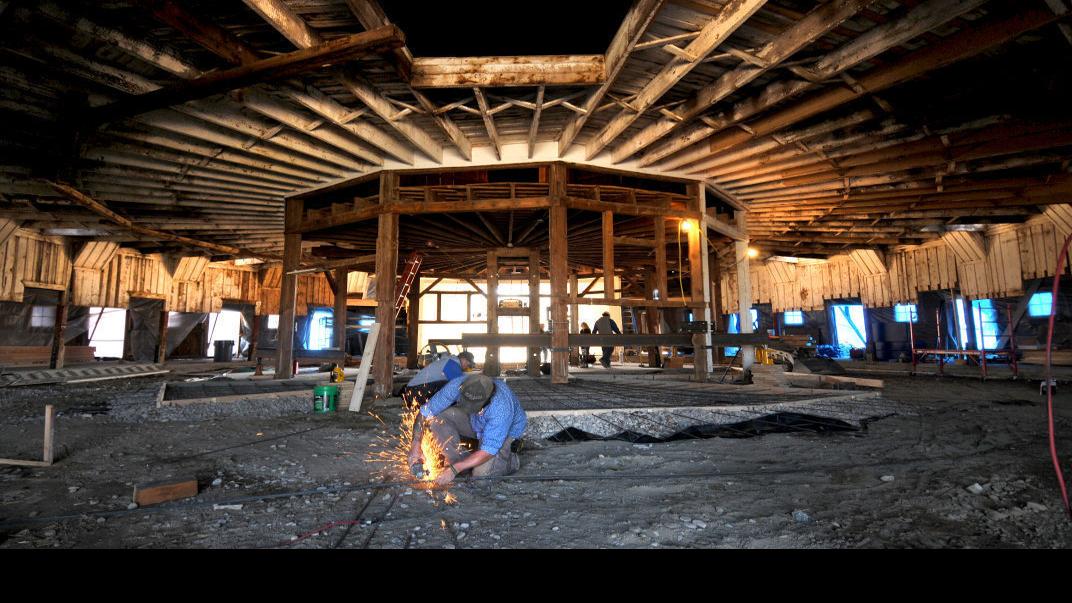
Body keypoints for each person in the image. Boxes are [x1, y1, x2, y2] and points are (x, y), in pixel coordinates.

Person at [408, 373, 526, 486]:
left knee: (480, 479)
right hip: (476, 421)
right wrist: (416, 444)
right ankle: (459, 461)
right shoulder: (457, 384)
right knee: (437, 418)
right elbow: (424, 412)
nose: (468, 407)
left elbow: (489, 451)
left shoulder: (500, 408)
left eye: (473, 405)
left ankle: (510, 461)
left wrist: (455, 469)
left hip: (504, 432)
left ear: (487, 400)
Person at [400, 350, 475, 409]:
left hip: (412, 391)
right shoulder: (453, 364)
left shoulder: (450, 361)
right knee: (454, 388)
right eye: (468, 364)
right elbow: (460, 387)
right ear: (463, 359)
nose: (467, 367)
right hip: (415, 393)